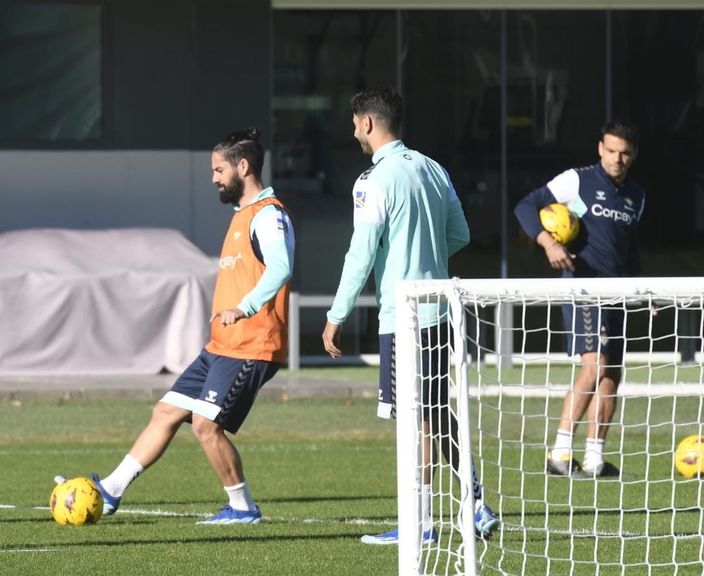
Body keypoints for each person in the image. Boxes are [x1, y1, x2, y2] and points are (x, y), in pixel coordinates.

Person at [83, 128, 294, 524]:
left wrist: (243, 307)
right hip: (221, 346)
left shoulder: (269, 215)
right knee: (165, 411)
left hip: (252, 345)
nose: (213, 178)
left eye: (219, 169)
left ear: (243, 166)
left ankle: (244, 509)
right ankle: (110, 490)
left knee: (205, 426)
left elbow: (281, 268)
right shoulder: (241, 217)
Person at [321, 87, 498, 545]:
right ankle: (476, 503)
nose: (353, 130)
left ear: (365, 123)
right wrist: (426, 255)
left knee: (415, 421)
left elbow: (360, 255)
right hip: (440, 311)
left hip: (404, 318)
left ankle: (420, 524)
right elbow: (460, 232)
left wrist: (336, 314)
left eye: (354, 122)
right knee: (437, 414)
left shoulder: (372, 181)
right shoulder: (433, 169)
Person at [514, 119, 645, 479]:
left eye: (625, 153)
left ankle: (593, 459)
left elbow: (630, 251)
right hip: (585, 289)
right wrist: (549, 242)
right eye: (611, 150)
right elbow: (527, 206)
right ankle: (558, 453)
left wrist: (644, 290)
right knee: (594, 367)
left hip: (618, 294)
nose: (617, 158)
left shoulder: (637, 195)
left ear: (633, 156)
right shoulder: (577, 180)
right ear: (600, 147)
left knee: (612, 376)